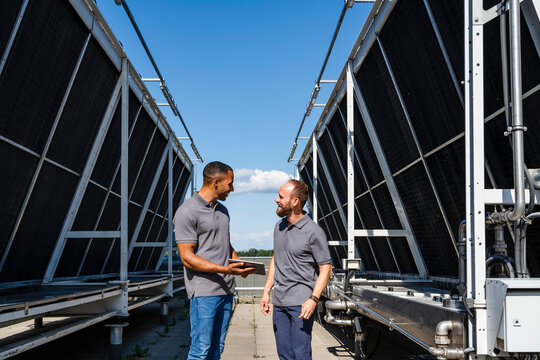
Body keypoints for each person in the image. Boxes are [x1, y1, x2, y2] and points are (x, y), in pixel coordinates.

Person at [174, 161, 256, 360]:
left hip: (226, 290)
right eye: (230, 183)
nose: (232, 188)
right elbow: (187, 258)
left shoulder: (223, 211)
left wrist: (240, 264)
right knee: (200, 351)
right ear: (216, 182)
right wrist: (227, 270)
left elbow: (225, 244)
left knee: (217, 349)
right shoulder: (187, 212)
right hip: (204, 293)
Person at [260, 180, 332, 360]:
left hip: (301, 304)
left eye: (281, 197)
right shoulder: (279, 226)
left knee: (300, 355)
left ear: (295, 202)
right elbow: (276, 258)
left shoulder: (313, 231)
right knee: (284, 355)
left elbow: (325, 268)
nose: (276, 200)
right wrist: (266, 291)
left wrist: (313, 299)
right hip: (280, 303)